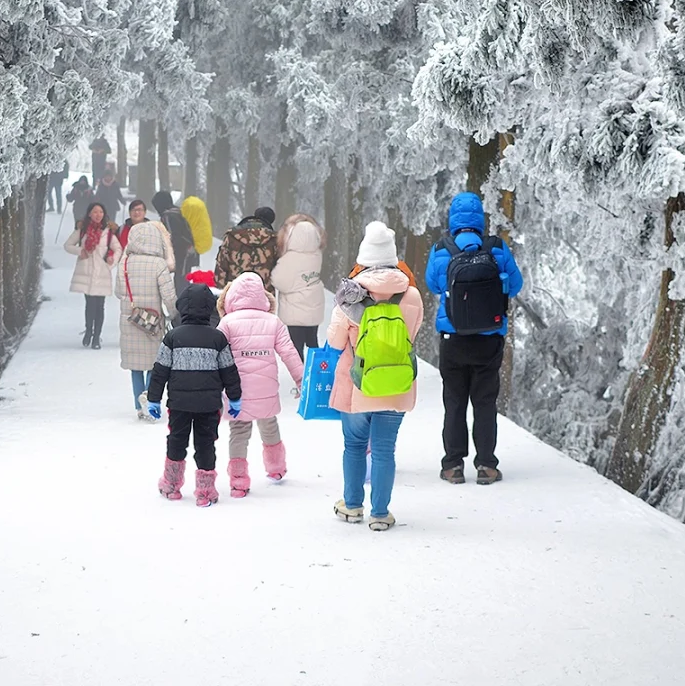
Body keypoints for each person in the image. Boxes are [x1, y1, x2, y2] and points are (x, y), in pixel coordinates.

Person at [326, 222, 423, 530]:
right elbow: (412, 334)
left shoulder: (351, 295)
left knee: (354, 445)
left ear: (364, 257)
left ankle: (352, 506)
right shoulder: (411, 295)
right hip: (396, 383)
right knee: (384, 449)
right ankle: (380, 514)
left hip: (358, 384)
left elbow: (334, 342)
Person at [424, 190, 524, 485]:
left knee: (454, 402)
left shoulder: (442, 249)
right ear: (480, 219)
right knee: (484, 402)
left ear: (452, 219)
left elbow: (432, 283)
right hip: (489, 339)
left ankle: (453, 465)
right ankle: (487, 466)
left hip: (453, 339)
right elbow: (515, 285)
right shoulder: (496, 248)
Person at [146, 282, 242, 507]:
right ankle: (206, 491)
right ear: (209, 307)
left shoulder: (172, 337)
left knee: (176, 441)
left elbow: (160, 370)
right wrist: (234, 397)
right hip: (209, 405)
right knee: (206, 444)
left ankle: (171, 484)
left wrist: (153, 398)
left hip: (179, 403)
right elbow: (229, 370)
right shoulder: (217, 338)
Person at [217, 272, 304, 497]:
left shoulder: (227, 322)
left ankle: (238, 481)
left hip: (237, 390)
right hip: (265, 389)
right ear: (262, 296)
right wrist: (301, 380)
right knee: (269, 425)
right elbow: (289, 353)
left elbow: (215, 354)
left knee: (238, 431)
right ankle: (276, 469)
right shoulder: (273, 322)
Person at [116, 220, 177, 417]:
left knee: (135, 366)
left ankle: (138, 406)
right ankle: (149, 398)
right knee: (153, 364)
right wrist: (174, 314)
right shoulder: (159, 264)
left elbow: (118, 292)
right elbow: (168, 296)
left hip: (131, 320)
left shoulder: (124, 263)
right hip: (153, 322)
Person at [65, 202, 120, 348]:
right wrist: (80, 251)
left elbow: (118, 249)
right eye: (95, 212)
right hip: (86, 272)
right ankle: (89, 331)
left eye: (101, 212)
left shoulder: (108, 233)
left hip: (102, 272)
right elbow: (68, 245)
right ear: (89, 214)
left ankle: (97, 337)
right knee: (90, 304)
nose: (98, 215)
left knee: (100, 306)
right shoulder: (82, 230)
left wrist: (111, 262)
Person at [271, 213, 325, 358]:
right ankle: (318, 370)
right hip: (314, 304)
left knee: (297, 346)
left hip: (295, 308)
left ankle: (301, 376)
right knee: (313, 342)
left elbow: (279, 281)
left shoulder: (290, 258)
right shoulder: (317, 254)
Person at [214, 205, 278, 289]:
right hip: (263, 293)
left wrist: (222, 291)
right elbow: (280, 269)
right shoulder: (273, 239)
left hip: (235, 291)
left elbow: (221, 265)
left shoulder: (232, 236)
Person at [154, 190, 198, 295]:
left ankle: (182, 307)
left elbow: (172, 236)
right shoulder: (179, 211)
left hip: (182, 253)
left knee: (180, 282)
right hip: (189, 251)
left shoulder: (168, 216)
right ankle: (185, 305)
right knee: (183, 280)